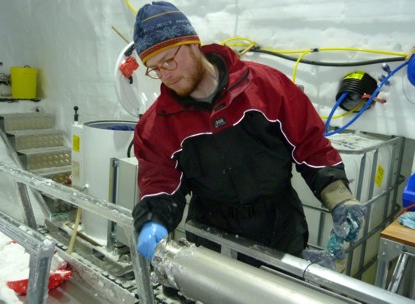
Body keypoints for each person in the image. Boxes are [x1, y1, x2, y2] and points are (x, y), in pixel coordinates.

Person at [131, 1, 365, 268]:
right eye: (155, 69)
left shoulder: (266, 88)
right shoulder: (157, 125)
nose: (165, 75)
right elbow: (160, 183)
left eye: (169, 61)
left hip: (280, 228)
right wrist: (152, 221)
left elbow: (310, 146)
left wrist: (339, 197)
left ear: (193, 43)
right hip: (210, 235)